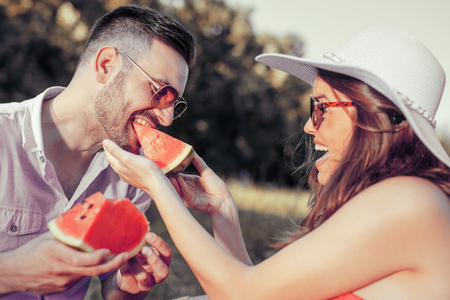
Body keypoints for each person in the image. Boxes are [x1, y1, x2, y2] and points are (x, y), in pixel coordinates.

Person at [103, 26, 450, 299]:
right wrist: (223, 212)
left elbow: (242, 293)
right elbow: (259, 294)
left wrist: (157, 185)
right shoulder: (406, 199)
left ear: (375, 115)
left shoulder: (410, 200)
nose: (309, 125)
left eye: (322, 108)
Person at [0, 4, 195, 299]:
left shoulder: (135, 176)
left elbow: (112, 287)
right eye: (160, 92)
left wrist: (128, 286)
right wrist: (11, 272)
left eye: (173, 104)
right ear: (106, 65)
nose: (167, 120)